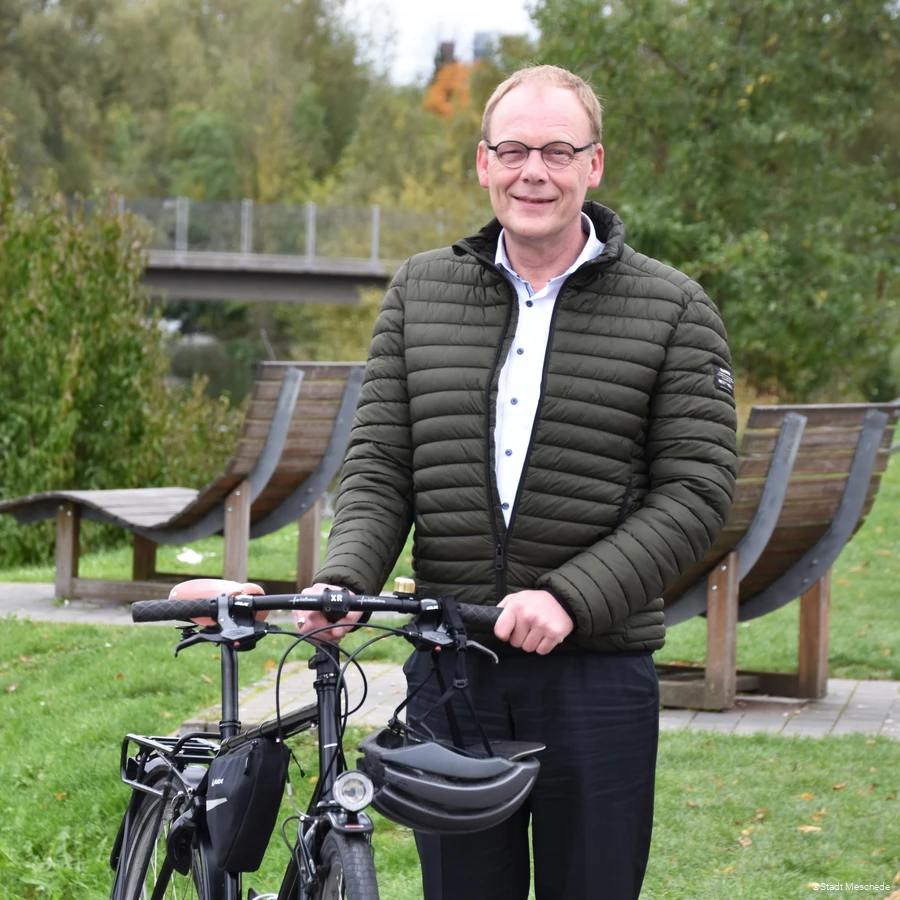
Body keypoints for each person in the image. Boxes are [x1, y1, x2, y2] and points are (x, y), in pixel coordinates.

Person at [295, 65, 738, 900]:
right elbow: (382, 462)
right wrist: (347, 577)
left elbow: (697, 492)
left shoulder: (675, 307)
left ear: (594, 165)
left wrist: (569, 597)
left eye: (557, 150)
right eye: (514, 149)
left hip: (595, 674)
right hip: (449, 664)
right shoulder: (420, 292)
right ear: (483, 162)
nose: (534, 170)